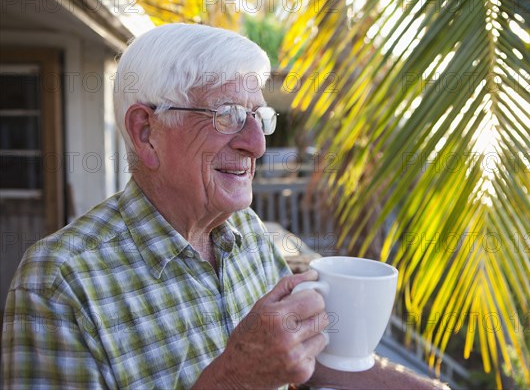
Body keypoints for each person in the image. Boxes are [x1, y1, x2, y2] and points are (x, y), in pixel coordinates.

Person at [1, 23, 329, 389]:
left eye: (259, 118)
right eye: (228, 115)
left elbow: (306, 360)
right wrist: (236, 378)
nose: (256, 145)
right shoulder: (59, 283)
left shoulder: (249, 232)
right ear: (146, 133)